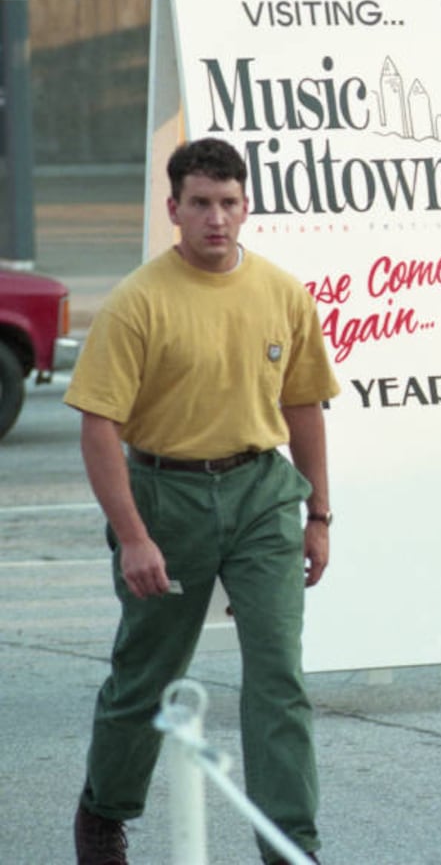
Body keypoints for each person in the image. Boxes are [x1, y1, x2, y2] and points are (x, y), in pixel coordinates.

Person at [65, 138, 339, 865]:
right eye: (200, 204)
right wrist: (132, 536)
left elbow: (305, 405)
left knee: (279, 676)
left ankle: (291, 849)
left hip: (260, 493)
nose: (215, 219)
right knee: (147, 675)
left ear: (246, 206)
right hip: (165, 497)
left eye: (228, 203)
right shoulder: (138, 302)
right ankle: (104, 812)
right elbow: (99, 427)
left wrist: (318, 516)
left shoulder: (282, 292)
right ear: (174, 209)